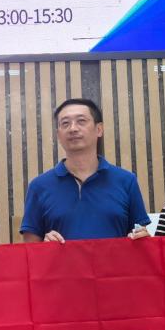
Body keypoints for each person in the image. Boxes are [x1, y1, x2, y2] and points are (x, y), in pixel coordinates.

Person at [21, 98, 151, 242]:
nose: (73, 128)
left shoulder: (126, 181)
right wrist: (45, 245)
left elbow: (140, 237)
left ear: (99, 129)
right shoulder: (39, 186)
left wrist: (142, 236)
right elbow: (30, 247)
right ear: (58, 135)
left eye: (81, 121)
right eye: (65, 123)